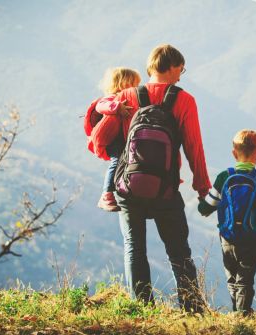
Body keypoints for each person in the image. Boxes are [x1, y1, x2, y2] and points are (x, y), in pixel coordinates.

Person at [110, 44, 211, 312]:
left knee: (134, 248)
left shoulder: (126, 96)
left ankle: (143, 309)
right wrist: (202, 188)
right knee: (179, 251)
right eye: (181, 69)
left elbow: (106, 139)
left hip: (129, 187)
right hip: (165, 189)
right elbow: (194, 147)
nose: (181, 75)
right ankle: (192, 307)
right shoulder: (184, 100)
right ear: (173, 66)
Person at [197, 129, 256, 315]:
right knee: (246, 279)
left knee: (232, 277)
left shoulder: (223, 178)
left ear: (234, 153)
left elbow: (205, 209)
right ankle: (242, 314)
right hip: (252, 238)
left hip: (228, 238)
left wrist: (203, 200)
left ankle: (237, 311)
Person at [89, 67, 140, 212]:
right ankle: (106, 195)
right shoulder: (112, 98)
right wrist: (117, 107)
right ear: (123, 84)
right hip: (114, 138)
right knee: (116, 161)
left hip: (124, 138)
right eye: (134, 84)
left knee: (125, 163)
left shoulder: (129, 99)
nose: (136, 88)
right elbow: (100, 106)